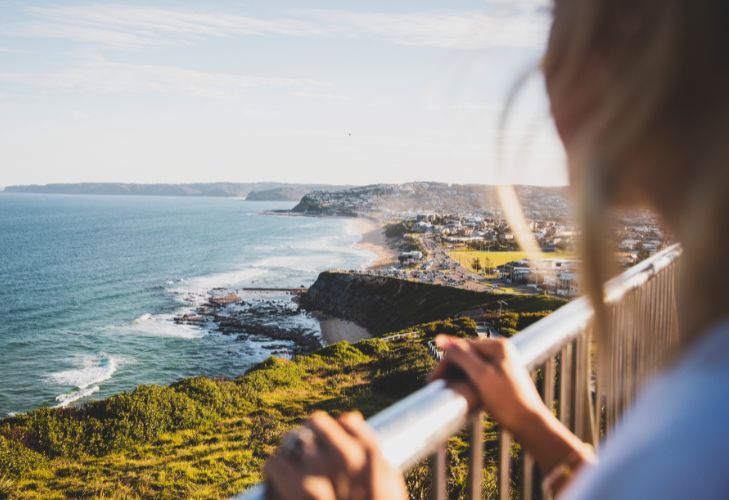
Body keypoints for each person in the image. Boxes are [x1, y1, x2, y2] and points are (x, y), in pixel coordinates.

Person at [263, 0, 729, 498]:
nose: (545, 66)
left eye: (555, 19)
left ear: (623, 29)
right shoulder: (703, 399)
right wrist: (532, 424)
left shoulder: (702, 430)